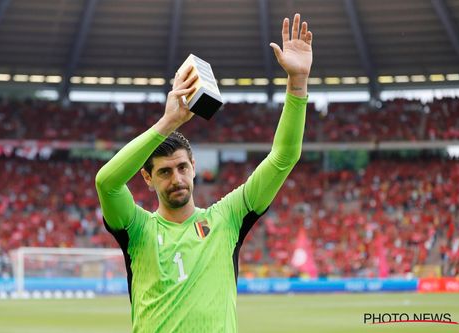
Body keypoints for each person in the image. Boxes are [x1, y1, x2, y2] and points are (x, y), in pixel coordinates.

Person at [95, 13, 313, 332]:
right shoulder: (135, 228)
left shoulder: (228, 217)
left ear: (194, 167)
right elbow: (107, 182)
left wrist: (297, 84)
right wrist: (168, 122)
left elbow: (284, 156)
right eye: (165, 172)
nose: (177, 179)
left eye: (182, 167)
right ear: (147, 178)